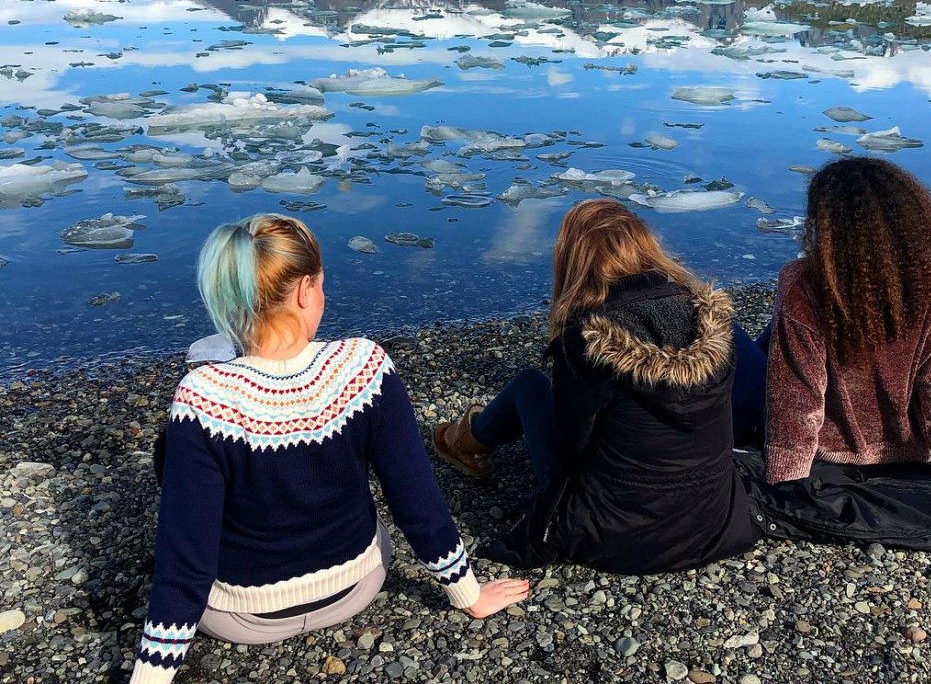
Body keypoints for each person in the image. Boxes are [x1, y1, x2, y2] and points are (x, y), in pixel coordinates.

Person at [129, 214, 528, 684]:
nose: (324, 296)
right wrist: (470, 596)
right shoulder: (364, 366)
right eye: (321, 285)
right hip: (355, 587)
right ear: (303, 291)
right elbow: (418, 504)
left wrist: (150, 677)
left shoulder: (202, 396)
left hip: (243, 620)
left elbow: (185, 559)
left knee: (175, 466)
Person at [433, 199, 757, 572]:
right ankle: (470, 438)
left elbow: (571, 449)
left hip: (619, 531)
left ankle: (467, 443)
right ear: (647, 247)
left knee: (529, 386)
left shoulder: (589, 341)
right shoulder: (711, 325)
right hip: (710, 520)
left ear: (574, 261)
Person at [756, 157, 931, 495]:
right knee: (777, 331)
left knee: (738, 339)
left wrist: (787, 483)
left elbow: (796, 399)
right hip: (912, 449)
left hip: (831, 452)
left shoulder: (803, 284)